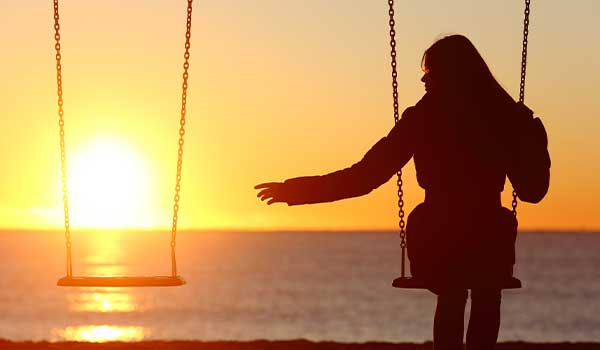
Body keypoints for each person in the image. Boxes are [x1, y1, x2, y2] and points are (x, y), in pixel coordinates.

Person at [255, 34, 550, 350]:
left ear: (448, 74)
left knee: (453, 292)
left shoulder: (423, 119)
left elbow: (364, 177)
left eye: (430, 71)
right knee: (486, 292)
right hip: (488, 240)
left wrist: (298, 191)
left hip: (439, 236)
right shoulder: (504, 116)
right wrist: (530, 136)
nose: (423, 78)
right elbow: (533, 190)